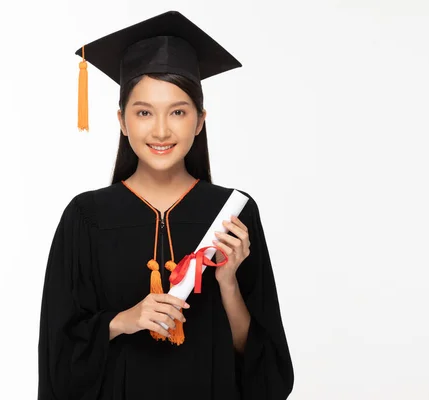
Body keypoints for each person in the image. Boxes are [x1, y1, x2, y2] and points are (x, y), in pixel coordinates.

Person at [38, 10, 294, 400]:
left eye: (178, 111)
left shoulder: (233, 214)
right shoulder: (87, 217)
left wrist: (228, 283)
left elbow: (262, 368)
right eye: (144, 113)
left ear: (200, 120)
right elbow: (59, 355)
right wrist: (124, 320)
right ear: (122, 121)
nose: (160, 130)